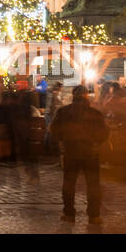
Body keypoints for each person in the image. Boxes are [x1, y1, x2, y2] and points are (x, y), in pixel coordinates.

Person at [50, 85, 109, 224]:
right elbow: (104, 133)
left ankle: (69, 213)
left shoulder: (63, 112)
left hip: (71, 152)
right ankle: (94, 215)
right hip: (91, 152)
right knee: (93, 184)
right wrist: (95, 142)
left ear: (72, 95)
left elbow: (53, 130)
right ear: (86, 96)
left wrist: (63, 140)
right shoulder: (95, 113)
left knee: (69, 184)